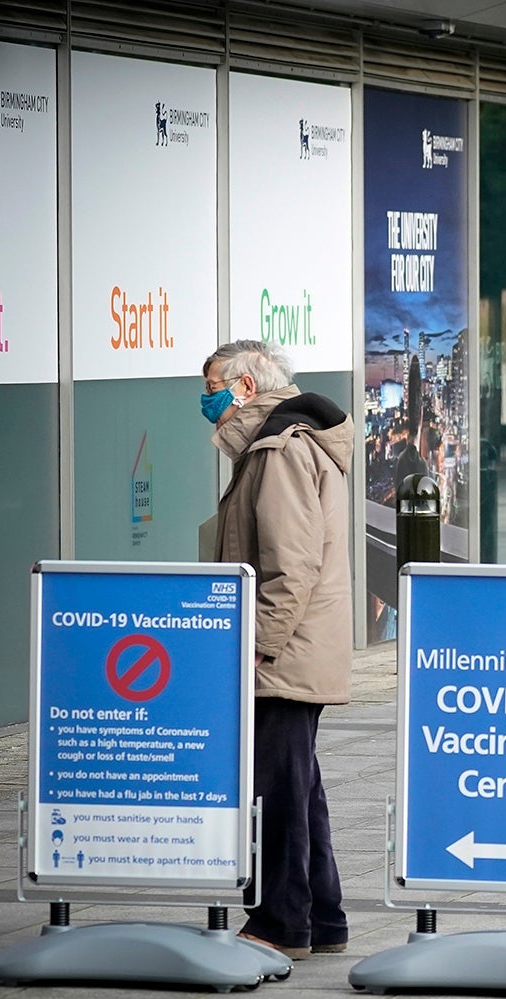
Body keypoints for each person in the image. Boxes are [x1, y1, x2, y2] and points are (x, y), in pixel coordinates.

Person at [202, 340, 352, 960]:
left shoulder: (280, 450)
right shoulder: (283, 442)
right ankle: (323, 916)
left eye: (211, 384)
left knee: (276, 788)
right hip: (294, 646)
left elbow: (291, 567)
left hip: (283, 651)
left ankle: (279, 923)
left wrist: (257, 648)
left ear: (243, 387)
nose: (203, 398)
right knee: (298, 783)